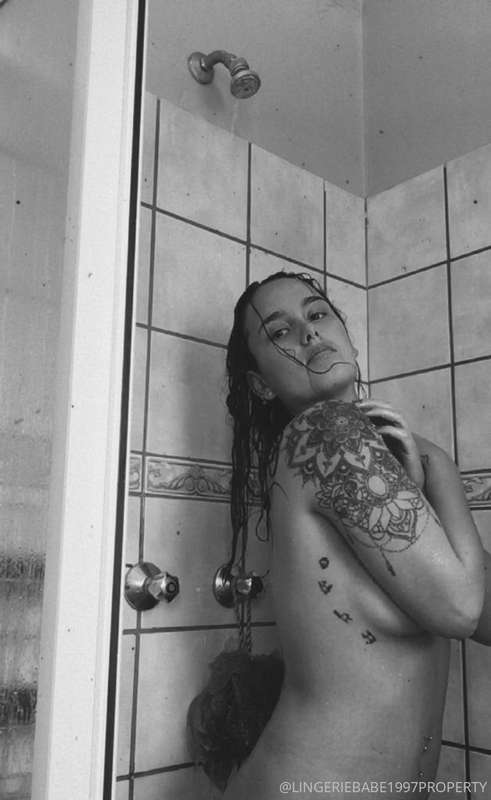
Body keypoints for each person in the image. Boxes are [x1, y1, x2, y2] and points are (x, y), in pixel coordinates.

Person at [188, 270, 488, 799]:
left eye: (317, 314)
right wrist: (433, 479)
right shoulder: (325, 431)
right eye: (280, 331)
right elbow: (461, 608)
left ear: (348, 338)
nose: (308, 332)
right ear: (260, 383)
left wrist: (421, 482)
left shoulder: (409, 455)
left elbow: (482, 611)